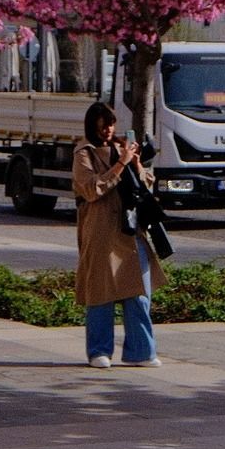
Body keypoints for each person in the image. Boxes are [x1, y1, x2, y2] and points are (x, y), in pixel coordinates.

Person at [71, 102, 164, 369]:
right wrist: (121, 164)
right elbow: (91, 189)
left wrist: (135, 164)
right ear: (93, 126)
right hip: (100, 229)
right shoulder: (84, 153)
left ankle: (141, 351)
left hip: (130, 229)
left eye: (111, 125)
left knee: (139, 292)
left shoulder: (121, 147)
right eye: (103, 126)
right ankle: (99, 351)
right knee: (100, 292)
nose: (109, 131)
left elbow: (146, 185)